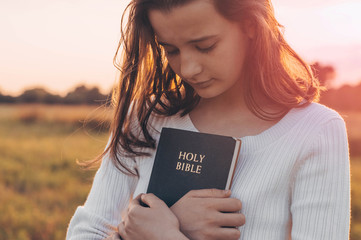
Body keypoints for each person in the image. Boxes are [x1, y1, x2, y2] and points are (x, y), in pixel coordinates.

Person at [66, 0, 350, 239]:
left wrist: (167, 234)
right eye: (171, 50)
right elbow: (86, 232)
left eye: (205, 46)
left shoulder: (316, 130)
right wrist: (160, 225)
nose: (187, 69)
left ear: (252, 26)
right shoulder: (146, 117)